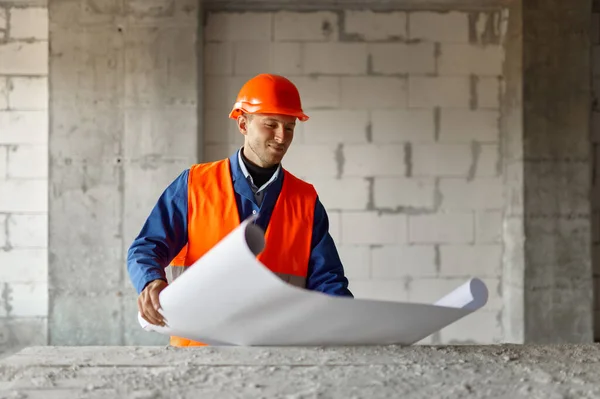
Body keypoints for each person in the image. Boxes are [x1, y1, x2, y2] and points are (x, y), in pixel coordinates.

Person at [127, 73, 353, 347]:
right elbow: (147, 246)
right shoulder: (195, 185)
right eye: (271, 125)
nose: (282, 137)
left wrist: (347, 322)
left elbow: (327, 279)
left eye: (290, 127)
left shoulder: (305, 200)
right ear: (243, 123)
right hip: (198, 355)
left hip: (278, 355)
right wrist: (151, 282)